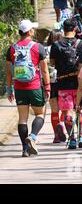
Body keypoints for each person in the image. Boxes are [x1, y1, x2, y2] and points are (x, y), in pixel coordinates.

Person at [5, 20, 51, 157]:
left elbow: (8, 72)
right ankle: (32, 137)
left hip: (19, 87)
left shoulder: (12, 48)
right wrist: (47, 87)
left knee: (22, 118)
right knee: (39, 114)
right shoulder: (38, 47)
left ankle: (25, 149)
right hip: (35, 86)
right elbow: (44, 70)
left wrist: (9, 89)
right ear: (30, 31)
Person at [50, 18, 82, 149]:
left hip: (62, 84)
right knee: (80, 110)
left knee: (67, 112)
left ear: (63, 29)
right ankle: (81, 137)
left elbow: (52, 63)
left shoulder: (56, 45)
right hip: (79, 83)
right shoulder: (81, 44)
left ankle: (72, 139)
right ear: (75, 28)